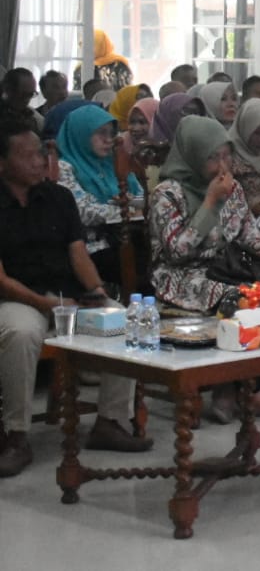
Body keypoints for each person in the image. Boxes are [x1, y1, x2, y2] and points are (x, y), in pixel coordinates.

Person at [0, 120, 152, 477]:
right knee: (20, 333)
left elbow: (78, 253)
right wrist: (47, 305)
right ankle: (16, 435)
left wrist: (97, 292)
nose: (39, 162)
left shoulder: (58, 197)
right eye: (28, 156)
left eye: (40, 153)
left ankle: (110, 422)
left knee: (122, 320)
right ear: (2, 163)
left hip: (68, 295)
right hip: (17, 298)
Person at [146, 116, 260, 421]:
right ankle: (235, 392)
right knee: (239, 299)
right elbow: (177, 251)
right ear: (193, 156)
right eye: (213, 157)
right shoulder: (166, 194)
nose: (223, 165)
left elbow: (247, 234)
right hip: (181, 276)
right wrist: (210, 203)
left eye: (226, 155)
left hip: (223, 268)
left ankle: (241, 389)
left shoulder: (233, 188)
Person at [54, 104, 144, 287]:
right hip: (90, 246)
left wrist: (130, 207)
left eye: (111, 133)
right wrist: (123, 211)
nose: (108, 140)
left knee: (144, 254)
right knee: (131, 268)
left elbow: (141, 198)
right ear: (81, 134)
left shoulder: (113, 162)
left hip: (123, 237)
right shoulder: (64, 168)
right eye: (100, 133)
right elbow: (81, 211)